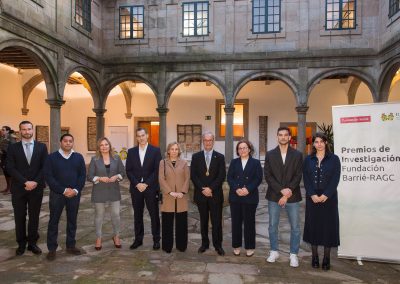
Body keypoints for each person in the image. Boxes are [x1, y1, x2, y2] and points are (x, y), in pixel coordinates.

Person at [6, 121, 48, 256]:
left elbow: (45, 166)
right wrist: (25, 181)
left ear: (32, 130)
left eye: (29, 129)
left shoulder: (42, 147)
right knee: (19, 217)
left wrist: (35, 181)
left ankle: (32, 243)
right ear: (20, 131)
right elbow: (10, 167)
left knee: (34, 216)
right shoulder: (13, 148)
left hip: (36, 188)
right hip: (19, 188)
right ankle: (21, 244)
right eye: (24, 129)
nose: (27, 132)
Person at [264, 127, 303, 267]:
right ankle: (274, 251)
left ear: (289, 137)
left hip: (292, 196)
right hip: (274, 195)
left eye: (286, 135)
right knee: (273, 226)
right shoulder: (270, 154)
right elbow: (268, 176)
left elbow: (298, 175)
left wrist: (288, 192)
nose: (283, 137)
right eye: (280, 135)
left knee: (295, 227)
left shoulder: (298, 155)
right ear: (277, 137)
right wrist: (281, 190)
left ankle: (293, 254)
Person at [44, 134, 86, 261]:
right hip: (57, 194)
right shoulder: (52, 158)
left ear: (73, 143)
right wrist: (63, 190)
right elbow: (49, 176)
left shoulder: (78, 157)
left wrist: (75, 190)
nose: (68, 143)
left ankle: (71, 245)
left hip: (74, 194)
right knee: (53, 221)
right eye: (65, 141)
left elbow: (82, 175)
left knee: (72, 220)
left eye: (70, 141)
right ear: (60, 142)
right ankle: (52, 248)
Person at [303, 132, 341, 271]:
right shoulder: (308, 159)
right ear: (313, 144)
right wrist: (312, 194)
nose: (319, 144)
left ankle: (326, 257)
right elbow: (306, 178)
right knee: (314, 226)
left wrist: (326, 194)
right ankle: (314, 257)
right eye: (316, 141)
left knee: (328, 227)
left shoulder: (334, 159)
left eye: (321, 141)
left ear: (326, 142)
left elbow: (335, 178)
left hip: (329, 198)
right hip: (312, 197)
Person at [190, 131, 226, 256]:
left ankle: (218, 245)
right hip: (201, 195)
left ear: (213, 141)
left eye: (210, 140)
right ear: (203, 141)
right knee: (203, 221)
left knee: (216, 222)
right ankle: (204, 244)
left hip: (215, 195)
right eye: (206, 140)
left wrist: (210, 189)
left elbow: (222, 176)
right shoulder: (196, 157)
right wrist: (203, 189)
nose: (208, 142)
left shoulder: (220, 157)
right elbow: (193, 176)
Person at [126, 128, 162, 250]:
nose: (141, 138)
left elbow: (157, 170)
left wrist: (146, 183)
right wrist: (137, 184)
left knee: (154, 215)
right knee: (137, 215)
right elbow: (129, 170)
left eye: (143, 135)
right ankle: (138, 239)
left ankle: (156, 239)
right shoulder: (131, 152)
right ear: (136, 138)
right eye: (138, 136)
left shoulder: (155, 151)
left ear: (147, 136)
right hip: (136, 189)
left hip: (151, 188)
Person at [87, 137, 125, 250]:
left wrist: (117, 176)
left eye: (106, 144)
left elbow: (123, 173)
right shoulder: (94, 159)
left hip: (114, 191)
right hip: (99, 191)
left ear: (109, 145)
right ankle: (98, 238)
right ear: (99, 147)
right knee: (99, 216)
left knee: (116, 215)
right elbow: (89, 176)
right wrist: (99, 178)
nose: (104, 147)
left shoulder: (116, 158)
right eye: (102, 145)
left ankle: (116, 236)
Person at [227, 140, 262, 257]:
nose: (242, 150)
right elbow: (230, 178)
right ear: (237, 150)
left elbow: (258, 178)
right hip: (235, 197)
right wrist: (237, 188)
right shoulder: (234, 162)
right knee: (236, 223)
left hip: (250, 197)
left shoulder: (256, 163)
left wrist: (248, 189)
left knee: (249, 223)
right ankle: (236, 246)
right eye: (240, 148)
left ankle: (250, 246)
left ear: (249, 149)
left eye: (245, 147)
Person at [158, 142, 190, 253]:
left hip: (181, 197)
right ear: (168, 151)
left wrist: (182, 192)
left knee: (181, 224)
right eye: (172, 149)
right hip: (168, 197)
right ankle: (167, 247)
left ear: (179, 151)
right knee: (167, 223)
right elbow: (161, 179)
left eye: (176, 149)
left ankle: (181, 246)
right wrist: (170, 192)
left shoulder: (184, 163)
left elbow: (187, 178)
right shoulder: (163, 163)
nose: (174, 151)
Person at [1, 126, 17, 194]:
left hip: (8, 158)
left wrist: (4, 151)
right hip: (3, 158)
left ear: (7, 131)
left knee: (9, 173)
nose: (2, 131)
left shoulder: (11, 138)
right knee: (5, 173)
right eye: (2, 129)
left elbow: (13, 149)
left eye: (3, 130)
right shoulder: (2, 138)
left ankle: (11, 189)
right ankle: (7, 188)